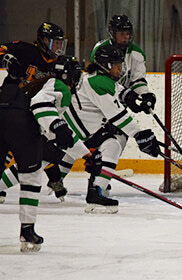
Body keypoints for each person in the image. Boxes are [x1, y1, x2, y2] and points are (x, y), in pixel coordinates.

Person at [0, 55, 97, 252]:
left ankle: (27, 230)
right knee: (31, 177)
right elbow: (41, 106)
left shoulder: (38, 83)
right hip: (21, 126)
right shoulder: (60, 87)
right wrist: (57, 126)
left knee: (32, 166)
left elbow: (61, 133)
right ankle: (27, 230)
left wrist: (86, 154)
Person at [55, 43, 159, 213]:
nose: (121, 68)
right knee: (26, 168)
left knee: (112, 144)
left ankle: (89, 188)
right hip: (69, 132)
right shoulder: (98, 82)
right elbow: (117, 116)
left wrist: (136, 99)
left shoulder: (99, 78)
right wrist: (140, 135)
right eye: (117, 65)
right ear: (107, 65)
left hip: (79, 131)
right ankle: (92, 190)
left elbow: (120, 91)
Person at [0, 22, 70, 200]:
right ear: (44, 40)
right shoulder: (24, 49)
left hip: (31, 109)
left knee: (39, 143)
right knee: (6, 146)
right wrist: (7, 60)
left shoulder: (56, 64)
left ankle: (54, 178)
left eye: (60, 43)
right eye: (55, 42)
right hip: (9, 102)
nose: (58, 47)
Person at [91, 14, 156, 115]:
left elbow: (137, 80)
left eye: (127, 33)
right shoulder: (101, 50)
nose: (126, 37)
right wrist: (126, 95)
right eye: (121, 34)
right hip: (100, 102)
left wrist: (145, 95)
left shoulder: (136, 53)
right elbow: (99, 81)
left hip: (121, 104)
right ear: (112, 33)